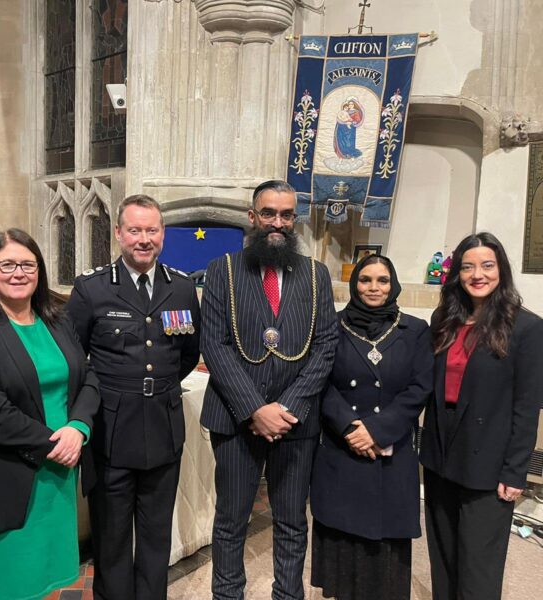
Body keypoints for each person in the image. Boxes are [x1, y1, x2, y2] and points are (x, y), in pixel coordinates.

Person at [0, 228, 100, 600]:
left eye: (27, 264)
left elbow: (88, 377)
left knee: (43, 584)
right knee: (2, 587)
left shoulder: (58, 321)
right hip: (1, 478)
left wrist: (78, 427)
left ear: (39, 271)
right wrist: (55, 443)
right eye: (7, 264)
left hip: (55, 479)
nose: (18, 273)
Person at [200, 179, 337, 600]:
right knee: (230, 521)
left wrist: (288, 406)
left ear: (294, 219)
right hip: (236, 419)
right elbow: (215, 344)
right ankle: (227, 595)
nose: (277, 222)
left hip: (296, 423)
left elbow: (326, 344)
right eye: (268, 213)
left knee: (293, 521)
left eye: (286, 214)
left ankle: (287, 595)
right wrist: (255, 409)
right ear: (252, 217)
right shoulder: (221, 270)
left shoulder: (316, 274)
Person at [66, 195, 201, 600]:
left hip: (163, 426)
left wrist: (154, 390)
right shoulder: (91, 289)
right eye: (136, 230)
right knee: (111, 538)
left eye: (152, 230)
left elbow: (188, 354)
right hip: (111, 432)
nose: (144, 239)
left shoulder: (180, 287)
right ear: (119, 234)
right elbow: (75, 360)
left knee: (157, 536)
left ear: (163, 234)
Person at [420, 232, 543, 600]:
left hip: (488, 461)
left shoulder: (526, 327)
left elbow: (527, 406)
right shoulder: (444, 319)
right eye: (468, 267)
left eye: (487, 266)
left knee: (478, 568)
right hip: (441, 452)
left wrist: (515, 470)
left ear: (500, 270)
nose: (478, 274)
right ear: (456, 273)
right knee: (442, 557)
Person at [309, 254, 433, 600]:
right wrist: (350, 428)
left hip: (391, 453)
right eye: (365, 280)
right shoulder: (330, 326)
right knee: (344, 537)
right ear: (353, 284)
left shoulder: (414, 331)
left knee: (386, 547)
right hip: (343, 449)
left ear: (393, 284)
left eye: (382, 280)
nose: (373, 287)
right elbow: (319, 382)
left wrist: (377, 431)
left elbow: (420, 387)